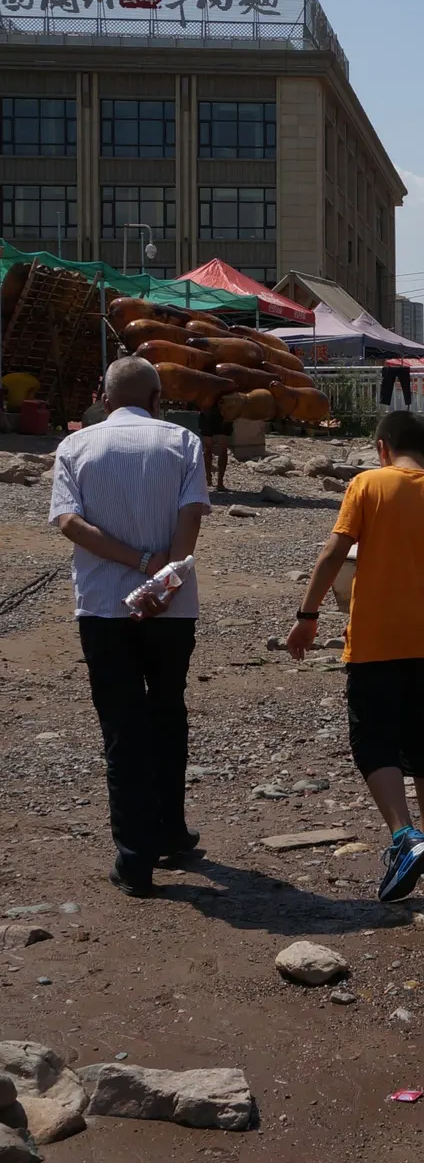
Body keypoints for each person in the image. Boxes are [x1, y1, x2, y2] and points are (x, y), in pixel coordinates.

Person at [287, 409, 424, 901]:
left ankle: (405, 837)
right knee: (423, 736)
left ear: (382, 448)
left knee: (372, 740)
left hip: (374, 640)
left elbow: (334, 553)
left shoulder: (368, 485)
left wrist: (307, 614)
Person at [49, 355, 211, 897]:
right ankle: (169, 829)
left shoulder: (74, 446)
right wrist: (163, 579)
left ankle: (135, 858)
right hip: (172, 608)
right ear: (158, 398)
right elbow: (191, 515)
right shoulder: (183, 443)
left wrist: (138, 566)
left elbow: (70, 522)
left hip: (103, 608)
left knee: (122, 729)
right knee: (168, 711)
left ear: (105, 396)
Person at [198, 392, 231, 493]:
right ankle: (212, 480)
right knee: (213, 448)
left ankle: (213, 480)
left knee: (213, 448)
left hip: (218, 412)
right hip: (219, 412)